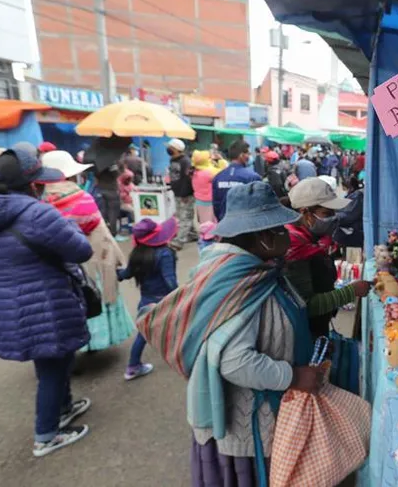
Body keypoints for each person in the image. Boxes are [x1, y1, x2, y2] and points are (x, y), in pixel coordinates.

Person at [136, 181, 321, 486]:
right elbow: (235, 363)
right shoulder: (240, 284)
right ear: (263, 237)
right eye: (281, 229)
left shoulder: (256, 271)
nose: (287, 235)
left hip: (262, 416)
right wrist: (294, 376)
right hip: (247, 429)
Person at [0, 143, 93, 457]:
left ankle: (62, 408)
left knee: (51, 355)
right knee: (53, 362)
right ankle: (46, 434)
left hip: (1, 302)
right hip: (43, 300)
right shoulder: (36, 213)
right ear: (32, 184)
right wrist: (67, 225)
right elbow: (81, 251)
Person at [43, 150, 135, 353]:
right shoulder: (81, 197)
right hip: (90, 260)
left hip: (56, 266)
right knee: (93, 297)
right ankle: (94, 343)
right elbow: (100, 232)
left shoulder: (38, 202)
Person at [285, 177, 372, 339]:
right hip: (304, 334)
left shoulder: (313, 242)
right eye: (327, 213)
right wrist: (351, 291)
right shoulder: (294, 249)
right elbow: (307, 305)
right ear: (305, 213)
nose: (334, 218)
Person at [118, 217, 179, 381]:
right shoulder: (165, 253)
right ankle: (184, 359)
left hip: (146, 301)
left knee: (143, 334)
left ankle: (133, 366)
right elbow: (170, 280)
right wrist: (180, 296)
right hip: (164, 301)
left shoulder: (137, 254)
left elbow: (125, 274)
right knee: (180, 325)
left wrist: (114, 273)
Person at [211, 140, 261, 220]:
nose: (250, 156)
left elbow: (216, 205)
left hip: (225, 224)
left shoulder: (218, 177)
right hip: (247, 224)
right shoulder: (253, 177)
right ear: (241, 155)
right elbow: (258, 205)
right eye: (248, 153)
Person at [167, 138, 198, 250]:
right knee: (182, 215)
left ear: (176, 149)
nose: (168, 149)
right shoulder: (173, 160)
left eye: (170, 147)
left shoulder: (186, 161)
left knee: (185, 218)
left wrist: (185, 193)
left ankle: (179, 242)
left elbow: (188, 179)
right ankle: (193, 234)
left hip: (185, 194)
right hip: (177, 192)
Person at [333, 176, 365, 248]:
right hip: (353, 226)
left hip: (357, 229)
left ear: (351, 188)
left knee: (336, 235)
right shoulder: (353, 196)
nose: (344, 191)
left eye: (345, 188)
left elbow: (349, 215)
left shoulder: (357, 196)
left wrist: (334, 217)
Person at [191, 150, 219, 224]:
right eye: (209, 158)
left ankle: (203, 235)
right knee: (210, 224)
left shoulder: (195, 171)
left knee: (203, 223)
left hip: (199, 201)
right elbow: (222, 171)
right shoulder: (208, 173)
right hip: (209, 202)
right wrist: (221, 160)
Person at [118, 167, 135, 233]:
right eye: (128, 179)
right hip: (123, 204)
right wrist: (126, 193)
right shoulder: (119, 185)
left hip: (131, 202)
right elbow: (119, 196)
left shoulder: (131, 184)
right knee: (132, 211)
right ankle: (131, 227)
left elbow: (135, 189)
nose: (129, 180)